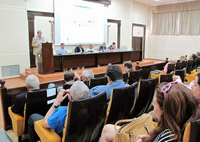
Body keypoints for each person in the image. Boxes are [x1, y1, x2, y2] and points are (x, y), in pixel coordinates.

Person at [100, 82, 200, 142]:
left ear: (164, 109)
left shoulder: (168, 137)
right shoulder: (183, 125)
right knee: (108, 130)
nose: (152, 105)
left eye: (155, 103)